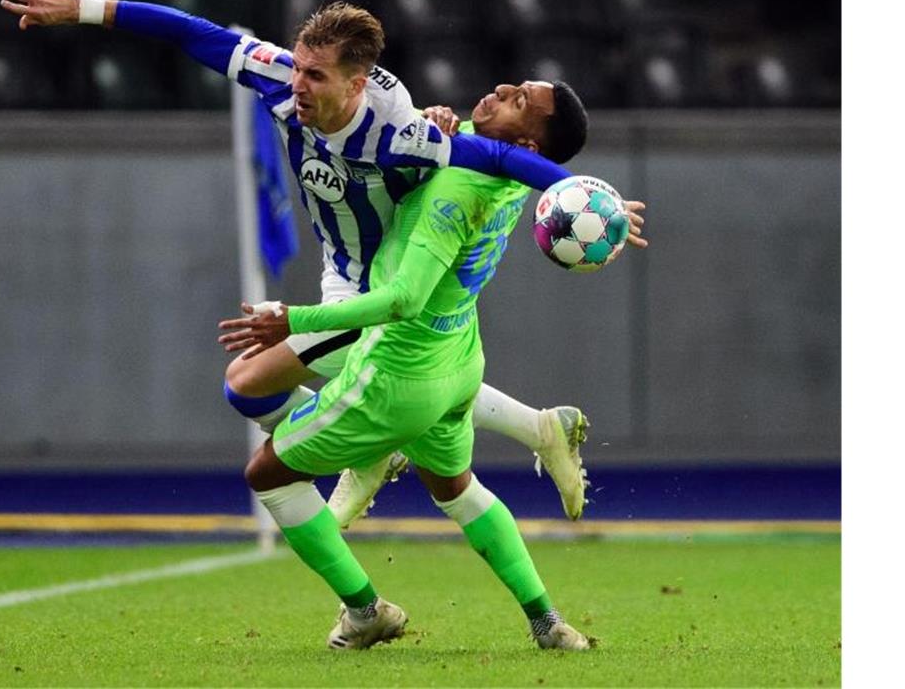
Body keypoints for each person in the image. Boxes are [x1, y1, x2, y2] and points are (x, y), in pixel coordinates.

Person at [0, 0, 645, 525]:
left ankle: (378, 472)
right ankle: (530, 432)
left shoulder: (406, 136)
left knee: (249, 385)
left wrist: (588, 196)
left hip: (386, 299)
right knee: (438, 473)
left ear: (355, 84)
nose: (300, 86)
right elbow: (194, 33)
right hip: (347, 279)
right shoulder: (284, 80)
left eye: (317, 76)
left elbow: (494, 155)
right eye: (299, 71)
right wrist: (80, 9)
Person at [217, 108, 645, 649]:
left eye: (519, 99)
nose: (500, 91)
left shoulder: (456, 192)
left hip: (398, 366)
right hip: (459, 357)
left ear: (526, 143)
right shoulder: (507, 177)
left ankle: (366, 609)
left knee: (268, 472)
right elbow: (483, 145)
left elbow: (402, 300)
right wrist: (435, 120)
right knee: (455, 487)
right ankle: (547, 622)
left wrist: (291, 318)